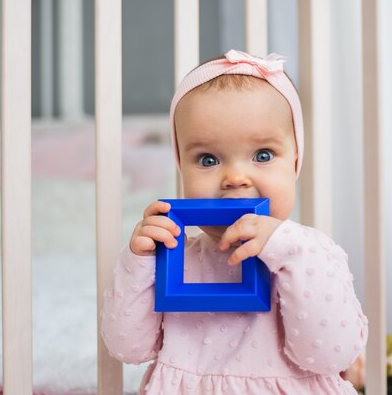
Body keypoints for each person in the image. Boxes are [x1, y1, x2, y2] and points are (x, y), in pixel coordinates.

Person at [101, 50, 368, 394]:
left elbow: (331, 355)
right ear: (182, 167)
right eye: (208, 159)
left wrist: (292, 254)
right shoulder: (172, 256)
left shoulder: (312, 253)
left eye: (263, 155)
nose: (235, 177)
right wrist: (138, 263)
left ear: (295, 163)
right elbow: (128, 348)